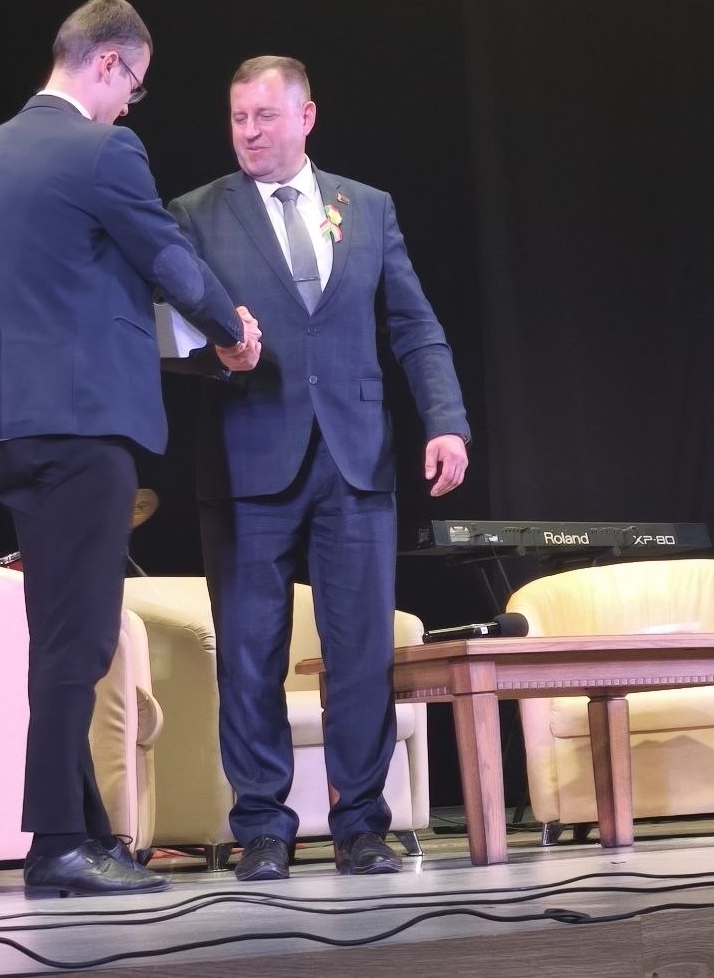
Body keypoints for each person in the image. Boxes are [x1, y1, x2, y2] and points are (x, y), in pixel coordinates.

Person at [0, 0, 259, 896]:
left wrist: (4, 359)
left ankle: (87, 835)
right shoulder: (103, 151)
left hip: (9, 433)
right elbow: (166, 257)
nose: (131, 104)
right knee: (79, 638)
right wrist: (231, 330)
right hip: (84, 425)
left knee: (63, 629)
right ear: (106, 63)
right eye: (133, 84)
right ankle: (56, 845)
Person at [168, 55, 470, 880]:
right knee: (250, 653)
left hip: (355, 457)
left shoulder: (366, 207)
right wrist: (216, 354)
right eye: (238, 118)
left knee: (362, 649)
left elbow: (415, 325)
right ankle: (263, 828)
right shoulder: (195, 213)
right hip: (245, 457)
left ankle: (362, 824)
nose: (248, 133)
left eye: (264, 116)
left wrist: (446, 422)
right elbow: (165, 331)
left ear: (306, 117)